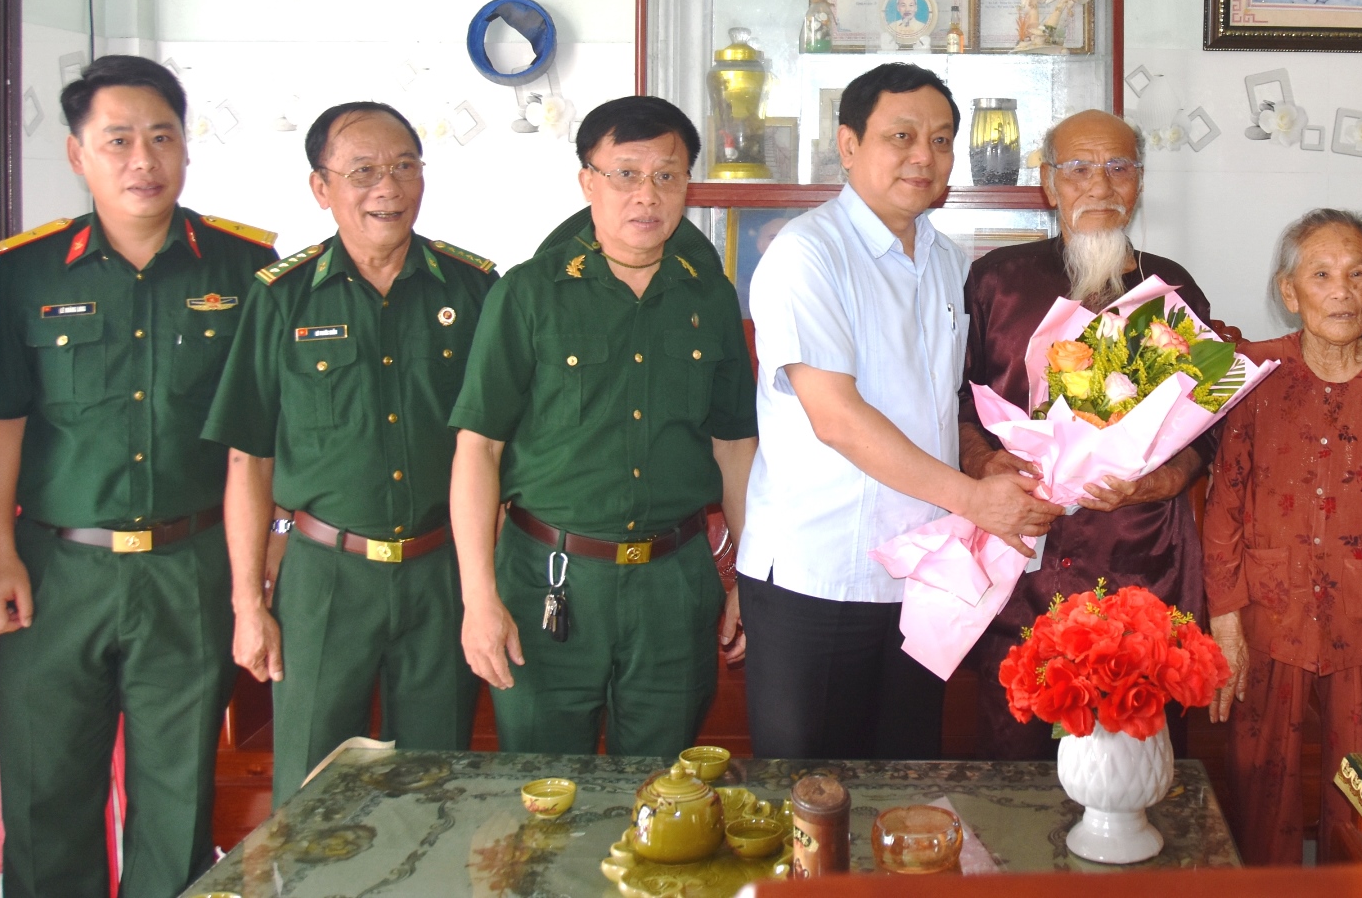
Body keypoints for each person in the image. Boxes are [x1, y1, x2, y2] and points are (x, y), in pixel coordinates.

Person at [0, 55, 277, 898]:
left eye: (161, 138)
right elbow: (4, 422)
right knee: (44, 794)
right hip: (54, 568)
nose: (142, 160)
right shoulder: (26, 271)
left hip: (191, 567)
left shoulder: (243, 268)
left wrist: (264, 553)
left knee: (178, 795)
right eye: (118, 141)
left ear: (186, 148)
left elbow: (260, 435)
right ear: (78, 155)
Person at [739, 62, 1061, 759]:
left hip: (919, 575)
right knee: (812, 802)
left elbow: (939, 403)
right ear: (848, 144)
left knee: (904, 790)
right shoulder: (807, 255)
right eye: (902, 135)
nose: (925, 156)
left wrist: (988, 460)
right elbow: (838, 419)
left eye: (942, 140)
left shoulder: (946, 260)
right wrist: (977, 500)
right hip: (817, 575)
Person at [205, 101, 498, 805]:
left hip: (440, 572)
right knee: (310, 784)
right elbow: (249, 460)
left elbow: (499, 446)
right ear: (321, 187)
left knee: (436, 783)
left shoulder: (477, 288)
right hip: (324, 576)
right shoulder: (282, 298)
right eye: (362, 171)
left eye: (404, 167)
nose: (387, 188)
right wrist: (249, 601)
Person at [448, 96, 755, 758]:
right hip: (547, 581)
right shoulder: (527, 295)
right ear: (587, 180)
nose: (647, 195)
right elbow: (479, 446)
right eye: (625, 173)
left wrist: (746, 581)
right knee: (544, 793)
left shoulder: (709, 298)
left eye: (667, 175)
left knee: (666, 796)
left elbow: (733, 444)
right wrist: (479, 597)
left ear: (687, 187)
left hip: (673, 585)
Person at [959, 108, 1229, 759]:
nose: (1099, 186)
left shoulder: (1173, 289)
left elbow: (1215, 411)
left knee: (1139, 783)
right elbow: (954, 405)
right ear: (1048, 184)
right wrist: (985, 464)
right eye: (1078, 168)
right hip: (1020, 571)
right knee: (1016, 783)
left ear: (1138, 182)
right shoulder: (997, 281)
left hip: (1142, 576)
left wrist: (1166, 477)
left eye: (1118, 167)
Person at [1205, 209, 1362, 864]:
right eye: (1321, 274)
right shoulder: (1249, 372)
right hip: (1265, 611)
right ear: (1290, 292)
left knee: (1361, 791)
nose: (1340, 291)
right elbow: (1223, 499)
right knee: (1258, 783)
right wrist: (1224, 620)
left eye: (1356, 274)